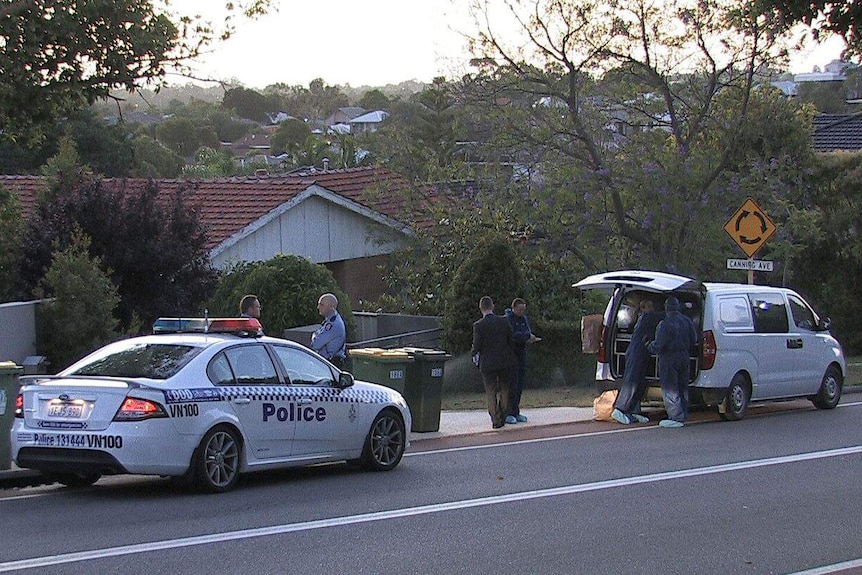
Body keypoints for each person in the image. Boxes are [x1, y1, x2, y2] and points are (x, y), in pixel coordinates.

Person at [612, 298, 663, 425]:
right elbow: (663, 316)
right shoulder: (648, 318)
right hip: (637, 352)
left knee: (640, 382)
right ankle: (621, 408)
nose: (652, 309)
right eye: (649, 306)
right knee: (632, 380)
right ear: (645, 308)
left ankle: (634, 410)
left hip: (640, 352)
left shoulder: (642, 318)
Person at [648, 297, 698, 428]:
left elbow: (658, 345)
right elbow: (694, 339)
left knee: (670, 387)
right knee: (682, 386)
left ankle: (675, 416)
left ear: (666, 308)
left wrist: (649, 346)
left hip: (669, 357)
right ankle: (683, 413)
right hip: (684, 356)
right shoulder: (687, 321)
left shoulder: (665, 324)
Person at [471, 296, 517, 429]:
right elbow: (511, 341)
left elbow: (477, 346)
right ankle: (503, 414)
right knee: (505, 389)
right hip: (505, 361)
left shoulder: (479, 325)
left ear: (481, 308)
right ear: (493, 307)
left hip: (488, 364)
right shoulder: (504, 321)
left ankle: (495, 419)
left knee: (490, 391)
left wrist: (473, 354)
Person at [504, 298, 540, 424]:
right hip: (511, 354)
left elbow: (527, 331)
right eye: (519, 310)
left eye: (523, 310)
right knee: (512, 384)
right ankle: (508, 412)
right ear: (513, 308)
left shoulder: (523, 319)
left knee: (519, 384)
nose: (521, 312)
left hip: (521, 353)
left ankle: (516, 411)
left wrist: (528, 336)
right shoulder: (508, 319)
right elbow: (513, 335)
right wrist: (526, 336)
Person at [311, 293, 347, 369]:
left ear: (332, 307)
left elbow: (315, 345)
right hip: (328, 363)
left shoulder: (334, 324)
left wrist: (314, 335)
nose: (318, 307)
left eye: (322, 305)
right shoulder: (329, 321)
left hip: (331, 364)